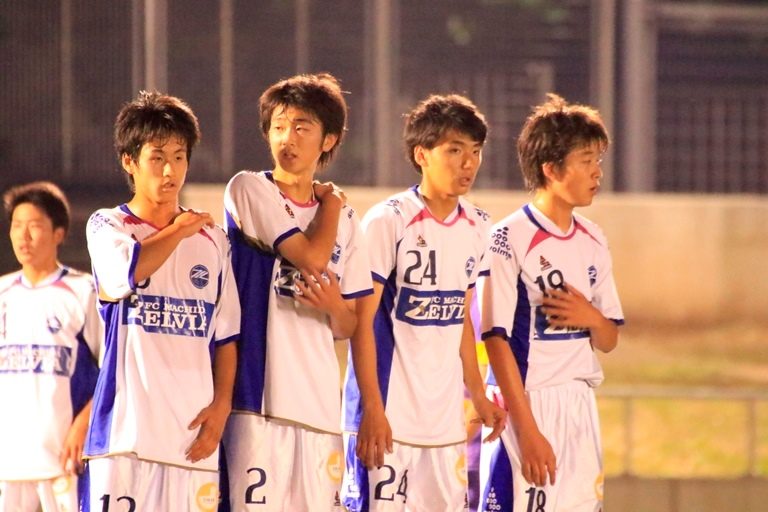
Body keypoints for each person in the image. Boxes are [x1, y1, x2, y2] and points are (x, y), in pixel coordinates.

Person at [341, 93, 505, 512]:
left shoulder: (479, 226)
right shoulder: (389, 220)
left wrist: (477, 393)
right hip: (387, 420)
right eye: (455, 150)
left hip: (444, 425)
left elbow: (461, 318)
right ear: (422, 154)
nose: (468, 163)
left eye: (475, 151)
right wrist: (370, 410)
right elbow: (363, 321)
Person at [221, 73, 373, 511]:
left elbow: (348, 325)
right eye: (279, 126)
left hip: (319, 408)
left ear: (329, 139)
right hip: (256, 400)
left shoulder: (348, 222)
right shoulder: (250, 188)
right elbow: (311, 258)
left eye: (302, 127)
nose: (287, 137)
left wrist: (333, 306)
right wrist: (332, 203)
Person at [82, 91, 240, 511]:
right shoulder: (108, 226)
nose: (170, 170)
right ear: (129, 162)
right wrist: (179, 230)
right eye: (157, 158)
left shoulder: (213, 241)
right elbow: (129, 272)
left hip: (191, 443)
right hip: (126, 440)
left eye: (179, 156)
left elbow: (226, 336)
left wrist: (221, 407)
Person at [476, 93, 624, 512]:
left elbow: (609, 339)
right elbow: (496, 340)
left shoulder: (594, 238)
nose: (597, 172)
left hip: (578, 404)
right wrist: (528, 432)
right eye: (586, 160)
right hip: (526, 404)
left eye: (598, 160)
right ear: (551, 168)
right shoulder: (508, 237)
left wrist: (591, 317)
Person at [0, 181, 100, 512]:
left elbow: (113, 369)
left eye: (34, 226)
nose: (23, 236)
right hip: (8, 463)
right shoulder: (3, 293)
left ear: (59, 233)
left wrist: (83, 425)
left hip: (63, 462)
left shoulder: (83, 292)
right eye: (17, 225)